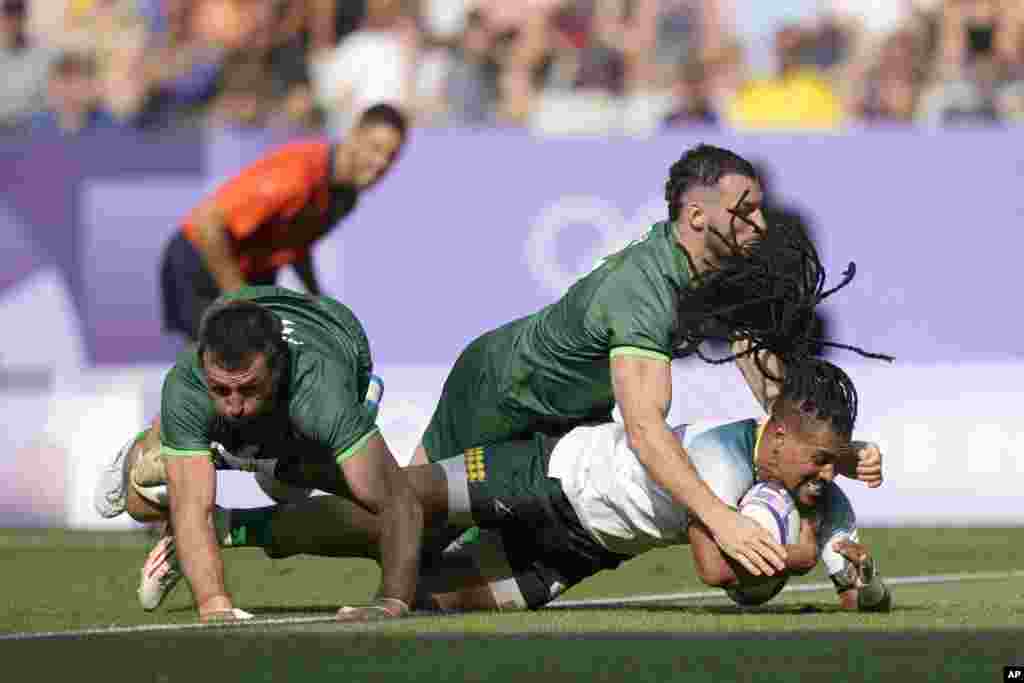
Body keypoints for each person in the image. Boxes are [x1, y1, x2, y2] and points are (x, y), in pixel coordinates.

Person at [163, 357, 888, 618]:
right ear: (781, 435)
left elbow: (851, 583)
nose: (828, 472)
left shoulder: (802, 482)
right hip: (548, 475)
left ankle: (240, 523)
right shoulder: (724, 465)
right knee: (396, 500)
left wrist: (854, 566)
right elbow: (721, 571)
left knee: (426, 598)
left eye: (837, 460)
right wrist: (797, 557)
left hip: (580, 553)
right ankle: (249, 475)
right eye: (822, 458)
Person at [410, 143, 838, 579]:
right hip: (500, 389)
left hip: (572, 416)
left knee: (456, 577)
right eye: (745, 211)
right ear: (696, 217)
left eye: (760, 209)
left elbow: (760, 369)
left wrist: (826, 444)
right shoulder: (643, 290)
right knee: (404, 517)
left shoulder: (715, 265)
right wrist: (721, 518)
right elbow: (645, 428)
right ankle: (373, 597)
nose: (760, 224)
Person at [95, 286, 424, 623]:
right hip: (242, 321)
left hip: (330, 331)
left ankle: (235, 461)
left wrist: (391, 602)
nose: (234, 406)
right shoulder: (188, 384)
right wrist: (214, 605)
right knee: (140, 502)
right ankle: (154, 438)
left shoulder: (320, 393)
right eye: (220, 390)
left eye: (248, 388)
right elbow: (193, 510)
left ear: (279, 372)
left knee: (343, 492)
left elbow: (399, 503)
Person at [160, 103, 406, 343]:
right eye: (375, 148)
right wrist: (239, 296)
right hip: (202, 259)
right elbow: (207, 224)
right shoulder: (296, 176)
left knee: (269, 363)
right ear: (354, 135)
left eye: (390, 156)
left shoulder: (346, 197)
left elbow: (294, 244)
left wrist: (317, 301)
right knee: (229, 366)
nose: (382, 163)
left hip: (251, 273)